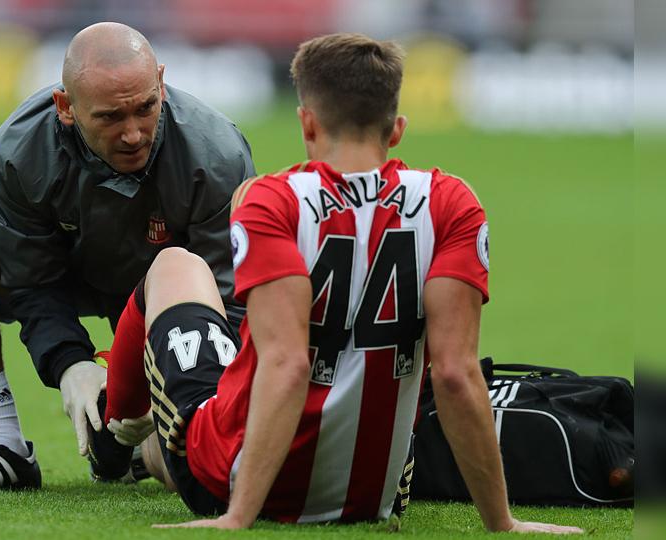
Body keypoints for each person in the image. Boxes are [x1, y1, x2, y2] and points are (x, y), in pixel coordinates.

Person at [96, 33, 583, 533]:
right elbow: (456, 374)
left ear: (307, 121)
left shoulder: (272, 200)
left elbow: (285, 364)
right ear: (396, 129)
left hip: (232, 477)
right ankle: (145, 444)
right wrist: (502, 522)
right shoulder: (451, 203)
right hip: (376, 494)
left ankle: (115, 432)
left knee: (174, 266)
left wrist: (237, 517)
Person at [0, 22, 255, 490]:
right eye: (110, 117)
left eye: (146, 108)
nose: (133, 134)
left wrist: (152, 397)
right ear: (65, 107)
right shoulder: (17, 153)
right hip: (69, 267)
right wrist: (71, 365)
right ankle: (4, 444)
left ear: (161, 83)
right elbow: (31, 281)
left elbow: (226, 307)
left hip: (168, 288)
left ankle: (147, 450)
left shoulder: (216, 155)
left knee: (192, 468)